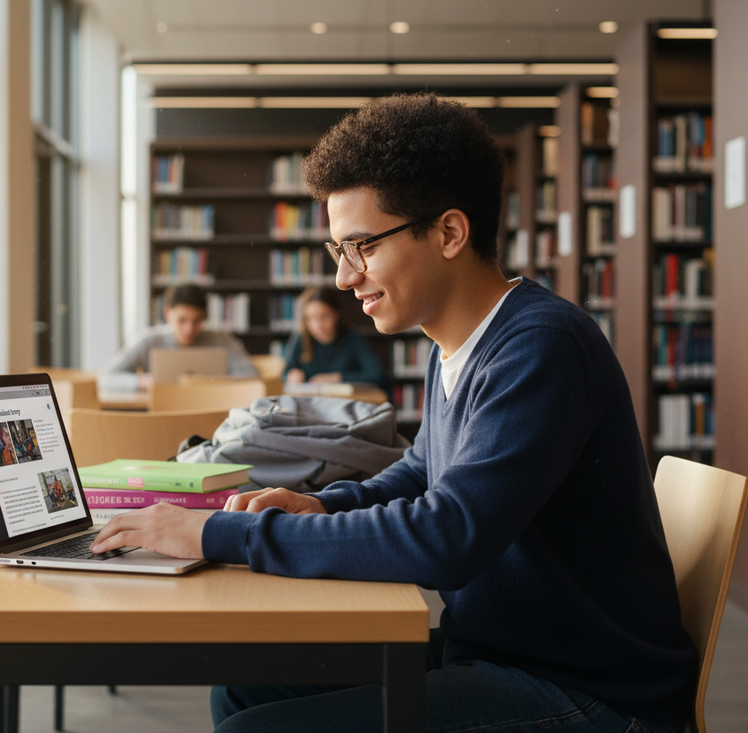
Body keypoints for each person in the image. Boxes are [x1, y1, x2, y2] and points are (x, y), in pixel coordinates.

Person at [91, 93, 696, 733]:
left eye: (363, 247)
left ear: (449, 233)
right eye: (337, 251)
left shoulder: (541, 347)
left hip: (585, 688)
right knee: (246, 685)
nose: (345, 278)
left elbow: (448, 536)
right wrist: (325, 504)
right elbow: (420, 472)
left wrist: (220, 535)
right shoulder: (454, 343)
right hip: (496, 651)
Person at [99, 283, 259, 393]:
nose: (189, 329)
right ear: (167, 313)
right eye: (182, 320)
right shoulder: (149, 341)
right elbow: (106, 378)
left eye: (197, 321)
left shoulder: (220, 339)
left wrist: (216, 383)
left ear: (205, 317)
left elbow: (251, 375)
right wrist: (141, 382)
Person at [281, 285, 386, 388]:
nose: (317, 325)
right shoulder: (301, 338)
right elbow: (285, 371)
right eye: (310, 318)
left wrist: (337, 378)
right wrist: (291, 375)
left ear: (337, 314)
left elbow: (377, 375)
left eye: (324, 316)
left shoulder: (352, 339)